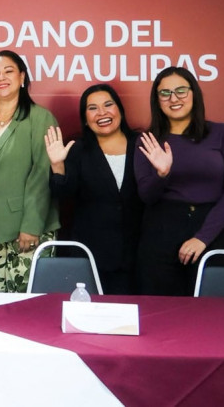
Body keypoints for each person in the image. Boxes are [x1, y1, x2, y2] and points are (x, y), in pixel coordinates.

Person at [134, 67, 224, 296]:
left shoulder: (223, 133)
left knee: (217, 312)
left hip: (213, 229)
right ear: (157, 100)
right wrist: (162, 175)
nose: (173, 98)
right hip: (162, 230)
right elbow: (146, 196)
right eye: (164, 93)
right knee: (163, 313)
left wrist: (202, 238)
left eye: (181, 90)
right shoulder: (148, 140)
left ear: (194, 93)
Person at [0, 50, 59, 292]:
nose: (1, 78)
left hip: (27, 228)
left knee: (27, 303)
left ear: (22, 77)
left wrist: (31, 225)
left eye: (8, 71)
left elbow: (41, 175)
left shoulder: (41, 118)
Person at [45, 84, 143, 294]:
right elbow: (64, 195)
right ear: (85, 118)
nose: (102, 113)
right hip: (91, 254)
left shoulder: (143, 145)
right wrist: (57, 166)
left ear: (120, 109)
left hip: (138, 255)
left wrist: (163, 174)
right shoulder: (78, 149)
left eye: (108, 105)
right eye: (93, 108)